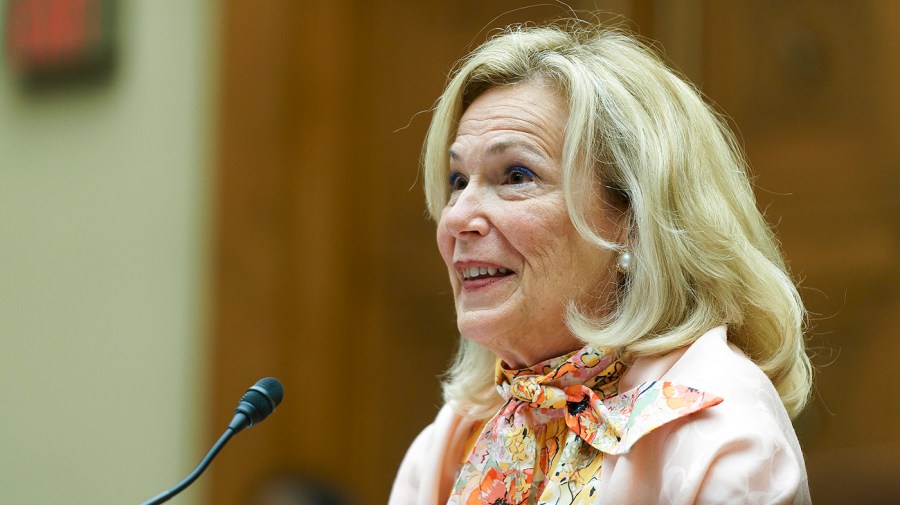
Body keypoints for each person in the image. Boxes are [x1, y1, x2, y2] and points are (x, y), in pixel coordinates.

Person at [390, 20, 812, 505]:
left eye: (517, 175)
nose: (458, 217)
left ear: (634, 217)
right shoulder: (454, 438)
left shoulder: (716, 427)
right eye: (458, 181)